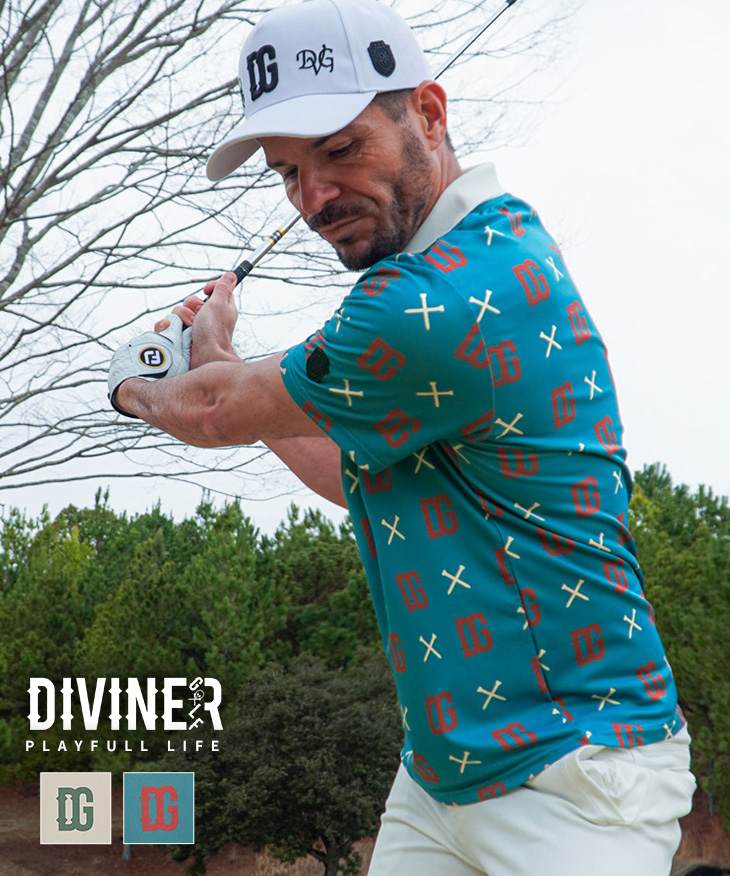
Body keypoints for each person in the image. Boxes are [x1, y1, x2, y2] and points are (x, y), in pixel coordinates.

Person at [107, 0, 697, 872]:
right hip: (440, 772)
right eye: (288, 172)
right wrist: (217, 360)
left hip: (576, 777)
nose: (313, 197)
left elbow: (213, 413)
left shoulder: (432, 301)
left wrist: (133, 387)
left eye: (341, 150)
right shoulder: (483, 251)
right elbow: (356, 476)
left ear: (428, 112)